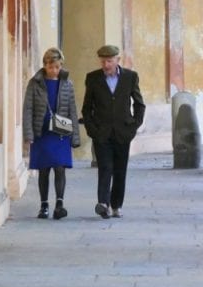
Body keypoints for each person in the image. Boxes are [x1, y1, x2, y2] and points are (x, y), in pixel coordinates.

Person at [80, 44, 146, 219]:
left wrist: (133, 126)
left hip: (123, 132)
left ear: (118, 60)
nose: (106, 65)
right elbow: (87, 108)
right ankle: (103, 203)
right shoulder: (93, 78)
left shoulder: (130, 77)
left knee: (119, 170)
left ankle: (116, 205)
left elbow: (139, 104)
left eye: (109, 61)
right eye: (103, 62)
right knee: (105, 167)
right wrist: (92, 129)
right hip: (101, 132)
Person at [23, 47, 81, 219]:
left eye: (57, 66)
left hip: (60, 133)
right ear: (45, 65)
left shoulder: (67, 84)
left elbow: (72, 110)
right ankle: (44, 206)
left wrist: (75, 137)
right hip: (42, 132)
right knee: (44, 169)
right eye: (50, 67)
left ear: (61, 65)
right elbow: (28, 109)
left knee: (60, 167)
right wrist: (28, 135)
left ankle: (60, 204)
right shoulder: (35, 83)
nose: (54, 70)